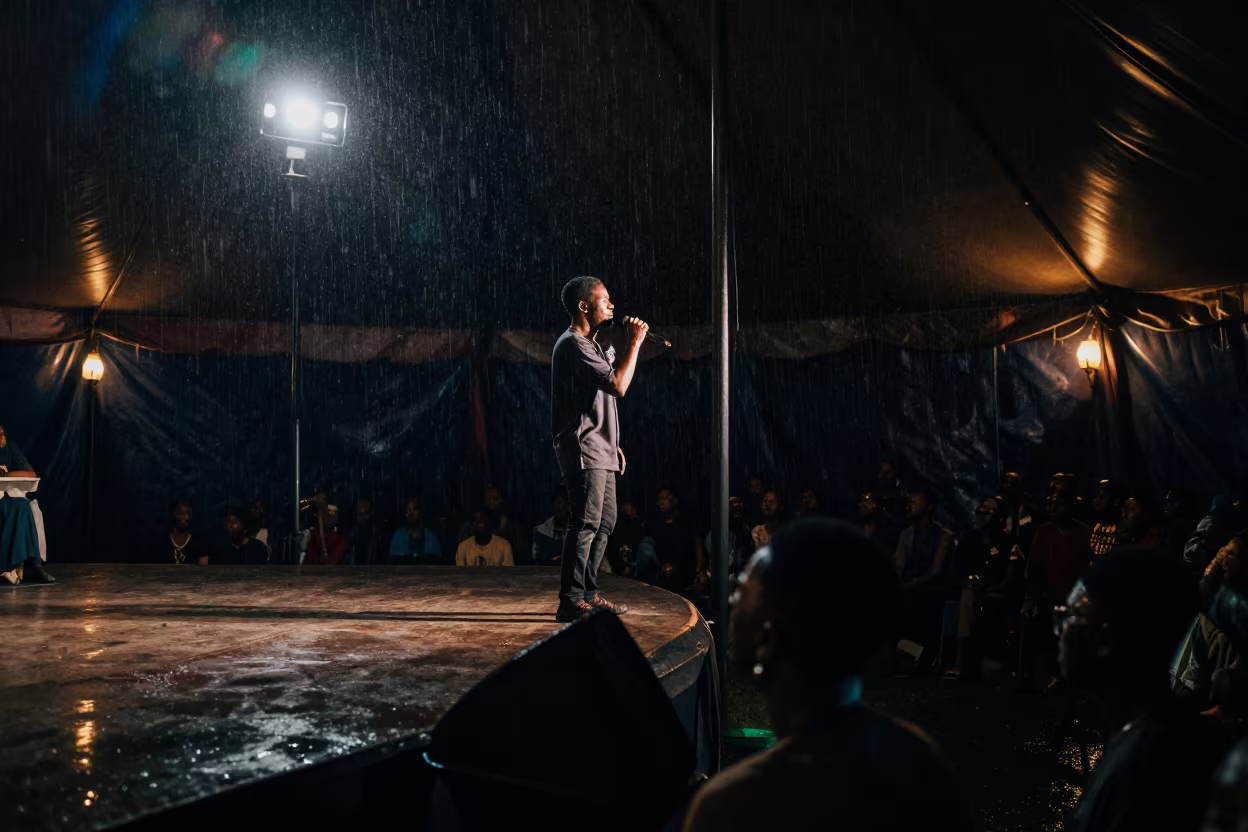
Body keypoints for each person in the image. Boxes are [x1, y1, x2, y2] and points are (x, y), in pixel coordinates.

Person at [682, 519, 973, 831]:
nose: (732, 603)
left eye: (742, 594)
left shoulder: (736, 805)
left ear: (770, 641)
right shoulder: (920, 760)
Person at [1058, 547, 1225, 832]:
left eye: (1075, 616)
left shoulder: (1145, 771)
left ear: (1105, 640)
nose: (1062, 629)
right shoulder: (1150, 735)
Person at [550, 276, 645, 621]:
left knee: (605, 522)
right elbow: (618, 385)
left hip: (601, 446)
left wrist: (613, 443)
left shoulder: (591, 344)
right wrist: (635, 343)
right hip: (584, 447)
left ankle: (588, 593)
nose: (612, 304)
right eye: (604, 299)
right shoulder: (573, 344)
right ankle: (571, 600)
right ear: (584, 306)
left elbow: (601, 400)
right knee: (586, 522)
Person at [946, 497, 1017, 680]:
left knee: (973, 600)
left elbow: (1011, 575)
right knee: (968, 598)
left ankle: (964, 661)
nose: (981, 515)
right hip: (970, 589)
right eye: (980, 511)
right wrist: (970, 582)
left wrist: (994, 587)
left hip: (997, 591)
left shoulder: (1007, 543)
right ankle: (962, 660)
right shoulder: (969, 539)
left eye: (988, 512)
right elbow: (958, 568)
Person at [0, 424, 52, 584]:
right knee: (21, 508)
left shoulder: (10, 448)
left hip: (7, 495)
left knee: (30, 507)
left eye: (3, 433)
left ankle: (32, 564)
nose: (2, 437)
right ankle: (12, 566)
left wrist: (6, 474)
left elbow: (29, 472)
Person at [650, 487, 706, 594]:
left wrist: (699, 571)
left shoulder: (686, 522)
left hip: (684, 572)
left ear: (674, 500)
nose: (660, 503)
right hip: (663, 574)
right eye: (659, 499)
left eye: (664, 499)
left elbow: (697, 545)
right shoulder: (658, 523)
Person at [894, 488, 954, 588]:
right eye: (909, 503)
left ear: (929, 506)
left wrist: (915, 582)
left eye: (913, 502)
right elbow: (899, 564)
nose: (909, 507)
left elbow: (937, 572)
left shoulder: (944, 536)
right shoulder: (906, 534)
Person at [389, 498, 442, 564]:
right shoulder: (398, 536)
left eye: (414, 509)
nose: (411, 513)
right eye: (408, 510)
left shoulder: (431, 537)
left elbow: (436, 562)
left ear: (420, 512)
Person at [159, 498, 211, 565]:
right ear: (173, 514)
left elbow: (204, 568)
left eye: (189, 514)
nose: (186, 517)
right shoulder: (163, 540)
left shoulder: (200, 541)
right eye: (180, 513)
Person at [855, 490, 900, 562]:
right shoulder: (854, 527)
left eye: (867, 501)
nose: (861, 505)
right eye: (860, 501)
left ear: (877, 504)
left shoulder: (888, 531)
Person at [999, 471, 1036, 557]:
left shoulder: (1028, 512)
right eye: (1007, 483)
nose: (1010, 486)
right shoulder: (996, 510)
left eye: (1014, 483)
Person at [1089, 479, 1126, 559]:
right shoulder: (1088, 526)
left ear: (1115, 501)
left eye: (1101, 498)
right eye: (1095, 497)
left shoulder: (1122, 531)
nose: (1095, 501)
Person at [532, 489, 570, 566]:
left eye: (567, 503)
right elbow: (536, 558)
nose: (563, 507)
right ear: (553, 505)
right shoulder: (541, 531)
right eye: (559, 502)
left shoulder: (580, 530)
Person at [346, 497, 386, 565]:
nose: (363, 517)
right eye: (359, 514)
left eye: (366, 513)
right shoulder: (352, 535)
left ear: (372, 513)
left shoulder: (379, 536)